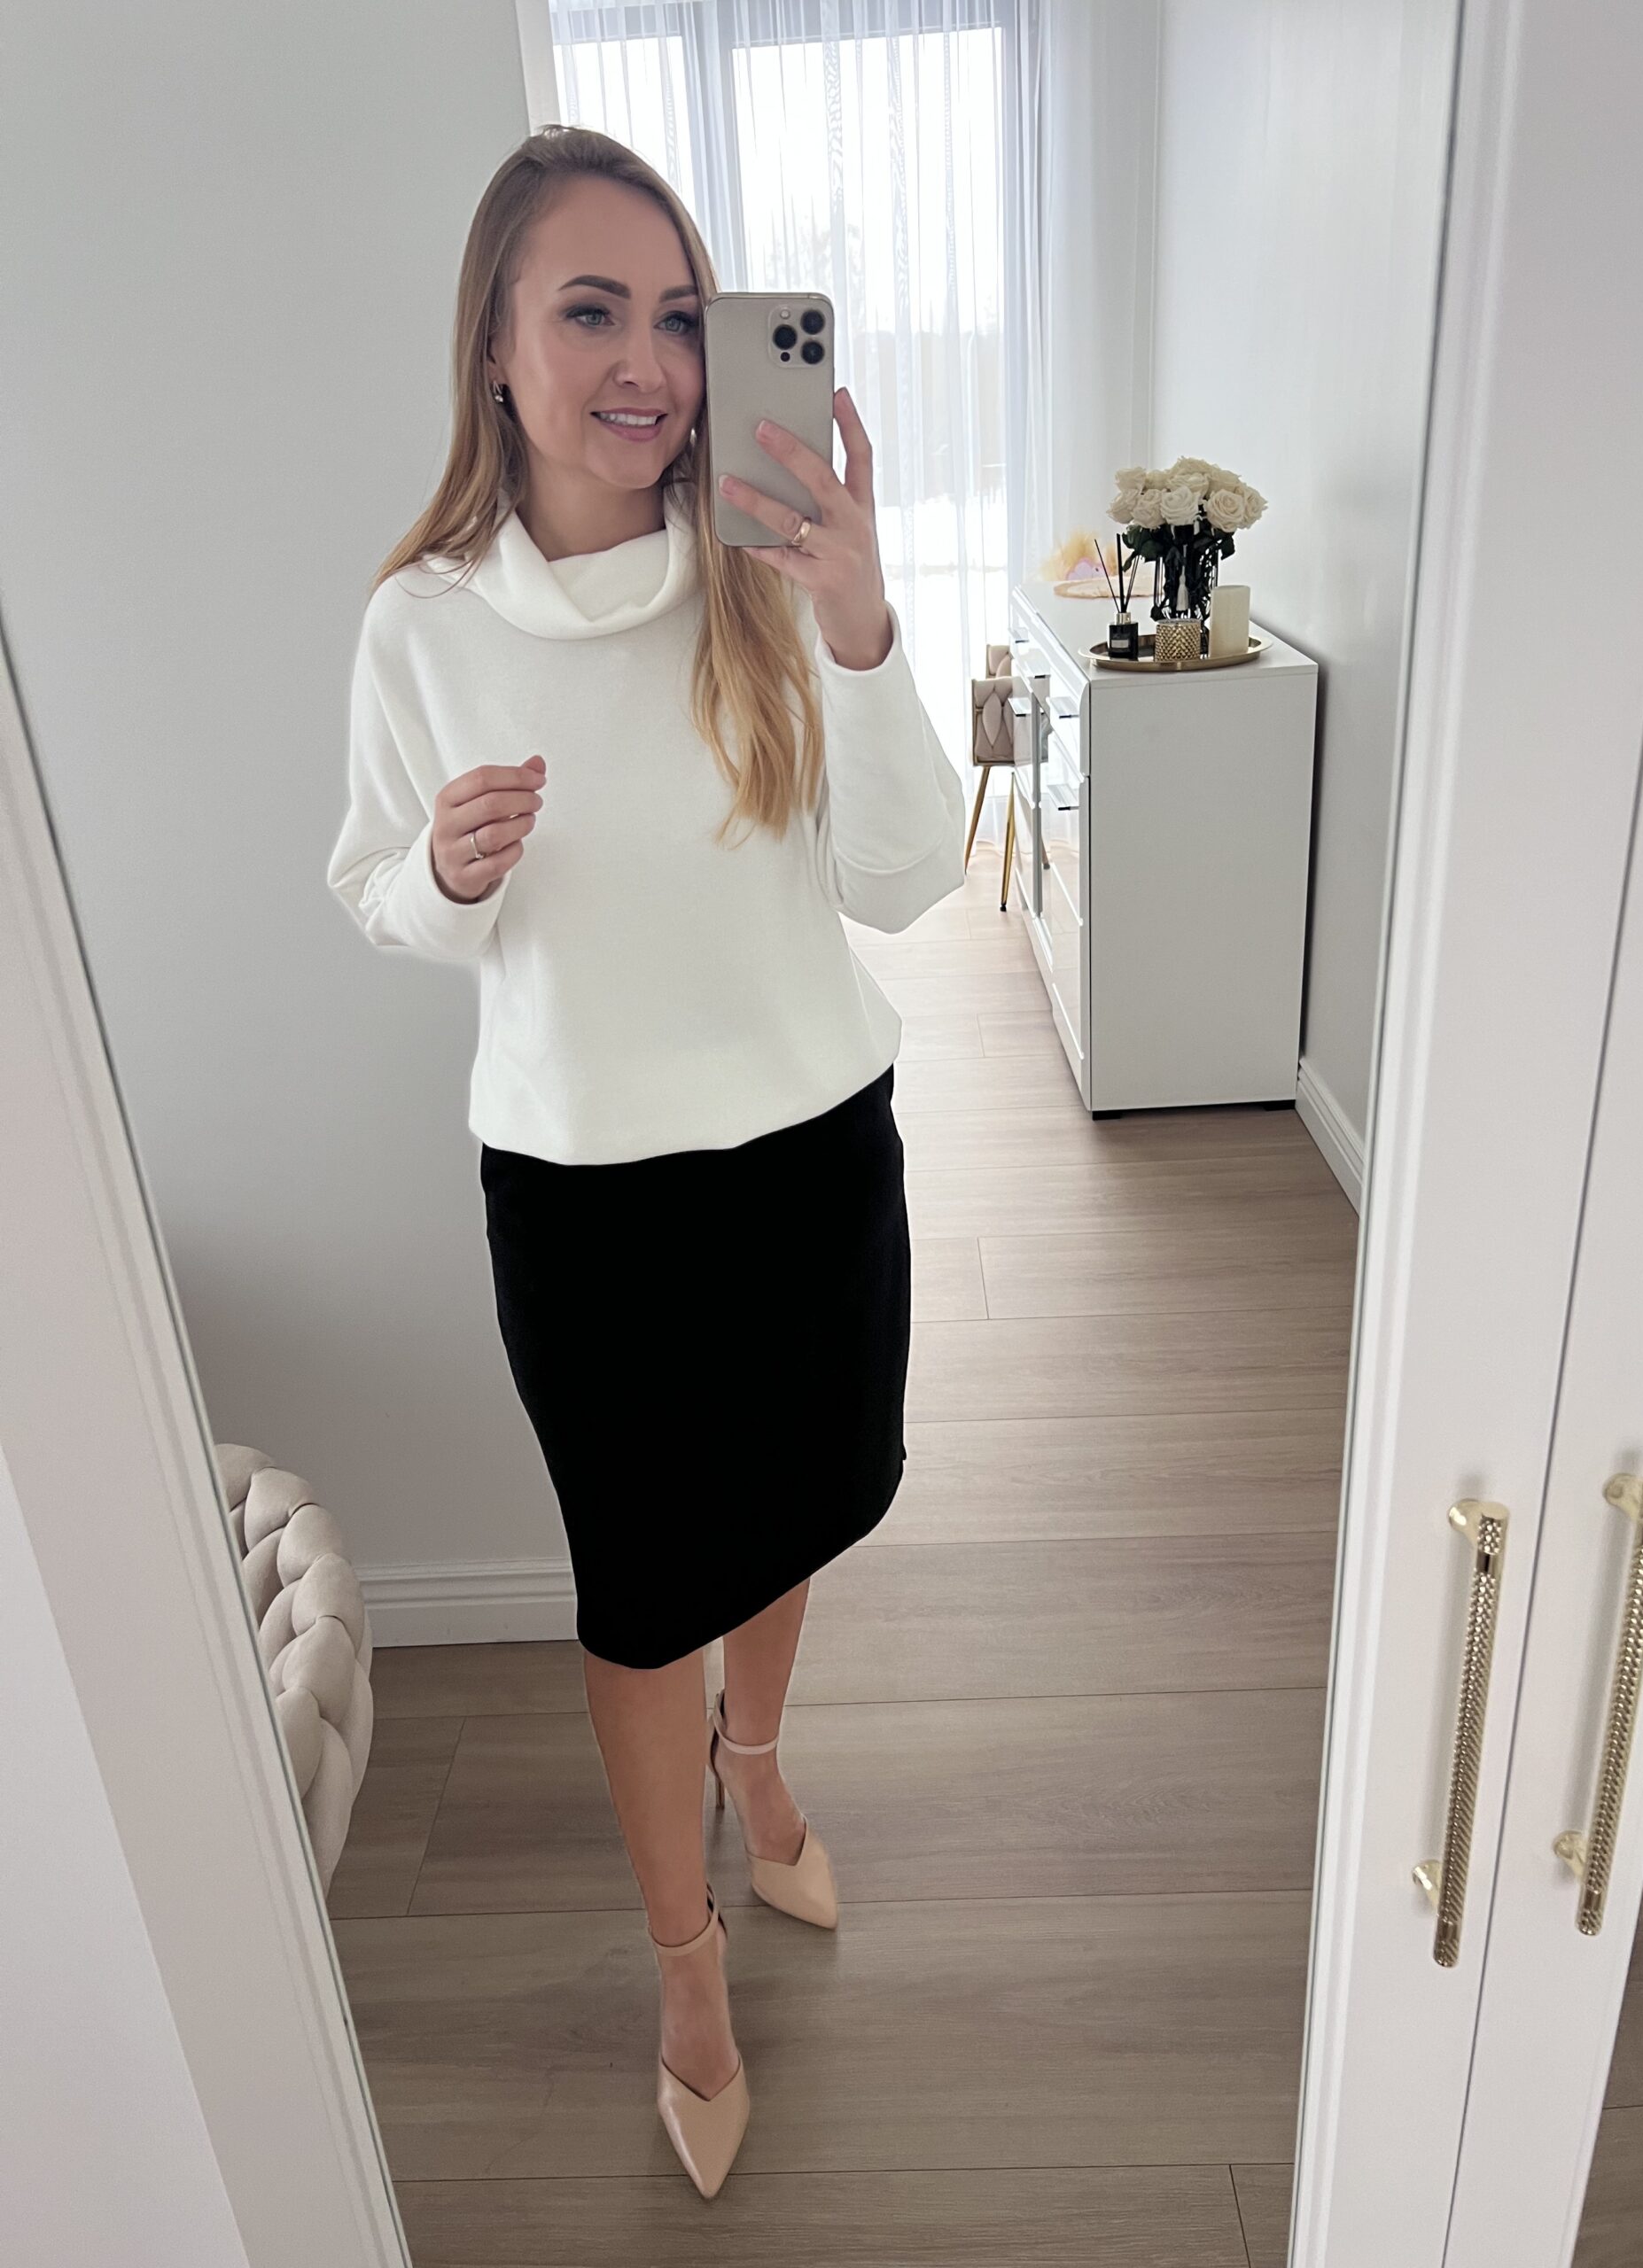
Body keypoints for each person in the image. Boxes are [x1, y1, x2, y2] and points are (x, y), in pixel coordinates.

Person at [325, 125, 965, 2199]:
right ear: (496, 351)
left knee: (792, 1512)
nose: (651, 361)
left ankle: (756, 1766)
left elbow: (907, 880)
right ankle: (686, 1967)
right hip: (588, 1199)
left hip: (813, 1154)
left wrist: (862, 621)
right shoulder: (423, 623)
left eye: (681, 314)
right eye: (591, 309)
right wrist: (440, 873)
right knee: (639, 1595)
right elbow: (371, 888)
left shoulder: (768, 572)